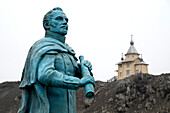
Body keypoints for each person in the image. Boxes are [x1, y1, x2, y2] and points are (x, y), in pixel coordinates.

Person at [18, 7, 95, 113]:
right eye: (59, 19)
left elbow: (71, 73)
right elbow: (45, 74)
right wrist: (78, 82)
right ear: (47, 25)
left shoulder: (67, 50)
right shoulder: (44, 47)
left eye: (66, 20)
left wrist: (83, 69)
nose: (65, 23)